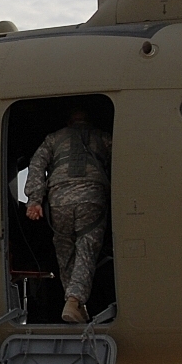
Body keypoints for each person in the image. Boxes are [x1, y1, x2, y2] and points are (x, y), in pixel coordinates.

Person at [25, 108, 112, 323]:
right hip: (91, 198)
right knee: (86, 250)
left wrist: (35, 199)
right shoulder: (103, 137)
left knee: (65, 253)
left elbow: (36, 165)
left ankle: (73, 303)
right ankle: (75, 300)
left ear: (69, 120)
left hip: (59, 201)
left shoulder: (53, 138)